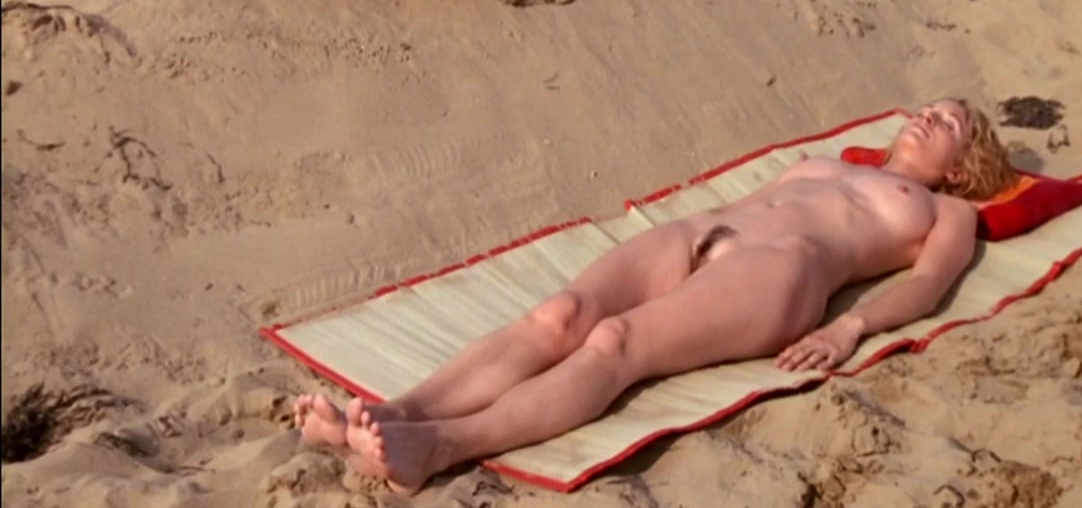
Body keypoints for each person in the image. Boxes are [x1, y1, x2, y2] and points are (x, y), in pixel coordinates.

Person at [293, 97, 1018, 494]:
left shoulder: (945, 211)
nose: (928, 116)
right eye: (929, 107)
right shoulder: (828, 162)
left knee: (616, 344)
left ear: (961, 167)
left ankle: (440, 446)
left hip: (781, 273)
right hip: (704, 233)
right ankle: (395, 414)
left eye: (949, 123)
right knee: (559, 317)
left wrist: (850, 327)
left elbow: (928, 287)